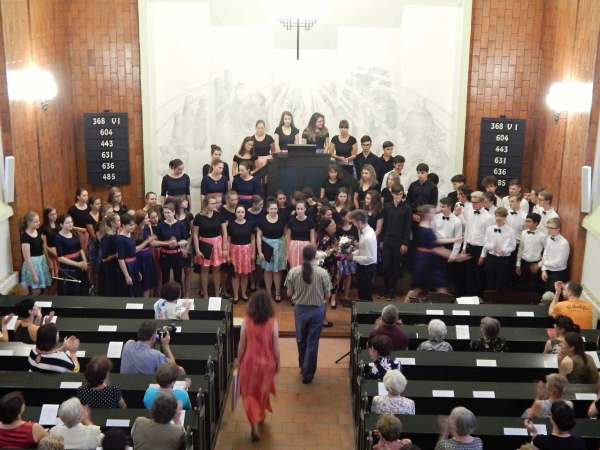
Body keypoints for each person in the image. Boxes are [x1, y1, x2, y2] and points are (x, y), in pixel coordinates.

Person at [236, 290, 281, 441]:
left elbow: (242, 344)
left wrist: (238, 359)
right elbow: (276, 346)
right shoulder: (273, 322)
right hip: (267, 363)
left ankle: (254, 422)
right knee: (261, 392)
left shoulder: (246, 321)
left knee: (248, 394)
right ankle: (260, 415)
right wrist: (278, 362)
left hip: (249, 362)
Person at [285, 245, 332, 384]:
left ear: (302, 256)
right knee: (313, 342)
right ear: (315, 256)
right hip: (317, 311)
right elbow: (328, 295)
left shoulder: (293, 272)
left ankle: (302, 366)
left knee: (301, 339)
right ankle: (308, 373)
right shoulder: (323, 273)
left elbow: (288, 293)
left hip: (300, 310)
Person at [405, 205, 466, 302]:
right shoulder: (426, 229)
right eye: (432, 212)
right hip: (426, 262)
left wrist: (455, 239)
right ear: (427, 214)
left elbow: (436, 241)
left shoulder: (424, 225)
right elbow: (436, 248)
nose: (435, 214)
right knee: (420, 288)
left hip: (427, 260)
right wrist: (456, 256)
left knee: (432, 286)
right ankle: (404, 309)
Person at [378, 184, 411, 301]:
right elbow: (383, 224)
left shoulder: (407, 208)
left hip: (399, 241)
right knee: (386, 266)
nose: (398, 196)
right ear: (392, 194)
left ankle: (392, 289)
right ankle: (386, 287)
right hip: (387, 240)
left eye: (400, 194)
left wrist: (405, 243)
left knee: (396, 267)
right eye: (396, 194)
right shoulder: (387, 207)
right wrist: (381, 240)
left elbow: (408, 227)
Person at [192, 195, 227, 299]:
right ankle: (205, 294)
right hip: (204, 244)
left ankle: (217, 292)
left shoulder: (219, 215)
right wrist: (197, 250)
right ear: (206, 204)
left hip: (217, 243)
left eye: (216, 203)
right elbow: (195, 234)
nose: (215, 205)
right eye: (212, 203)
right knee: (205, 269)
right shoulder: (199, 217)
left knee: (217, 269)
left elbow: (224, 232)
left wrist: (224, 248)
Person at [461, 191, 494, 297]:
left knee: (479, 274)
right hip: (470, 246)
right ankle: (469, 295)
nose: (473, 204)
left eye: (475, 202)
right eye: (472, 202)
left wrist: (483, 255)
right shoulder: (469, 213)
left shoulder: (488, 217)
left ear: (482, 202)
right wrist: (464, 246)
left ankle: (478, 296)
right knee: (468, 273)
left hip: (480, 248)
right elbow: (467, 231)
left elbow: (488, 237)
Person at [257, 199, 288, 303]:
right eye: (271, 209)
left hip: (280, 246)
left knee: (278, 271)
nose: (273, 211)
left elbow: (286, 234)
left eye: (275, 209)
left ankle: (278, 293)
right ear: (267, 209)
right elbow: (258, 236)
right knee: (267, 271)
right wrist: (260, 251)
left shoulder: (282, 219)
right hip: (266, 246)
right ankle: (269, 293)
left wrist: (287, 251)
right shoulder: (262, 220)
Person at [479, 207, 516, 291]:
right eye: (497, 216)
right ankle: (489, 301)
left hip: (503, 260)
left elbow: (513, 246)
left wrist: (503, 250)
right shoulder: (489, 229)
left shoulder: (510, 231)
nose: (498, 218)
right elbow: (485, 243)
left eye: (501, 216)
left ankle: (500, 302)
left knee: (502, 282)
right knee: (490, 281)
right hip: (491, 258)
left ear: (505, 217)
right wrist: (490, 247)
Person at [55, 214, 91, 296]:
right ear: (61, 225)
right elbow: (60, 258)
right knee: (72, 289)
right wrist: (77, 264)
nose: (70, 224)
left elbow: (80, 248)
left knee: (83, 287)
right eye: (67, 222)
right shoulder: (58, 237)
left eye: (71, 222)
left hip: (79, 262)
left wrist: (84, 261)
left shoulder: (74, 232)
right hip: (68, 266)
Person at [227, 205, 256, 303]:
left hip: (246, 251)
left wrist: (253, 252)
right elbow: (228, 240)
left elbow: (253, 239)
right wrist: (227, 254)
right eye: (238, 212)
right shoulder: (230, 225)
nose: (240, 214)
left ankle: (243, 293)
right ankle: (235, 295)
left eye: (242, 212)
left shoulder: (249, 224)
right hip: (234, 250)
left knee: (244, 274)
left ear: (245, 213)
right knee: (235, 274)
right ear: (235, 213)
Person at [347, 209, 377, 301]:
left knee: (365, 295)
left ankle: (366, 314)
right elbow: (363, 250)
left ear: (359, 222)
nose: (354, 225)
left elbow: (370, 258)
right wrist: (353, 253)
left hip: (367, 268)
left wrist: (353, 257)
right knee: (362, 293)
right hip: (363, 267)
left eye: (353, 223)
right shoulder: (367, 230)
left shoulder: (368, 237)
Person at [155, 204, 187, 287]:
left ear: (173, 212)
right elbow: (156, 241)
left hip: (177, 253)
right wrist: (167, 243)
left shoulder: (180, 225)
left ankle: (179, 296)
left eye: (168, 212)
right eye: (164, 213)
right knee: (165, 278)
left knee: (178, 278)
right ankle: (166, 296)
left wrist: (177, 243)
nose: (166, 215)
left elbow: (185, 240)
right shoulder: (160, 225)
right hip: (165, 254)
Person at [19, 211, 51, 295]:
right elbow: (27, 258)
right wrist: (34, 275)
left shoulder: (38, 231)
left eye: (38, 220)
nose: (39, 223)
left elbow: (43, 247)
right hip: (33, 264)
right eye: (36, 221)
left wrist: (48, 260)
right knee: (37, 290)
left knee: (46, 287)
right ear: (29, 222)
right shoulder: (25, 237)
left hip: (41, 261)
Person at [516, 212, 545, 292]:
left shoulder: (542, 236)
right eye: (526, 221)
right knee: (522, 284)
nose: (526, 223)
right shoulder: (523, 233)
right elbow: (521, 249)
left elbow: (547, 253)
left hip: (535, 263)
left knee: (533, 286)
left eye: (529, 221)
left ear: (536, 223)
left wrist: (539, 265)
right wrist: (518, 264)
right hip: (524, 262)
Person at [115, 214, 143, 297]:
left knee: (136, 290)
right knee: (129, 291)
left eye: (134, 224)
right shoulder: (120, 238)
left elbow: (133, 252)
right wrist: (127, 276)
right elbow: (120, 258)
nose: (133, 227)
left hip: (134, 265)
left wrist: (137, 271)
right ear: (123, 225)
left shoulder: (130, 235)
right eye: (130, 225)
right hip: (127, 267)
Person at [336, 208, 359, 305]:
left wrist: (352, 249)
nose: (350, 217)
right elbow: (336, 242)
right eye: (348, 216)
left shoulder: (354, 228)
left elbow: (357, 241)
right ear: (342, 217)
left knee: (348, 275)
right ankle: (334, 294)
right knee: (338, 275)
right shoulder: (338, 228)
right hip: (341, 255)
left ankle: (346, 295)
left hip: (350, 254)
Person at [316, 218, 339, 315]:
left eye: (334, 224)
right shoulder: (326, 239)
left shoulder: (332, 235)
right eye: (332, 225)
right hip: (327, 268)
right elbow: (325, 255)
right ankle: (322, 316)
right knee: (325, 291)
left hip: (332, 266)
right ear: (326, 228)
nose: (335, 226)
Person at [133, 210, 158, 298]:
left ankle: (146, 301)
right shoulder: (134, 230)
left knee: (148, 282)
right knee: (141, 282)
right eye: (146, 218)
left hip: (148, 255)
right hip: (139, 257)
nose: (148, 219)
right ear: (140, 220)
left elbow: (151, 242)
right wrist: (148, 240)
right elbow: (134, 249)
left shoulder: (147, 227)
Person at [541, 218, 570, 292]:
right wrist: (544, 269)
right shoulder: (549, 238)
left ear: (558, 229)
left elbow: (559, 262)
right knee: (545, 293)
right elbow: (545, 254)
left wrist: (545, 263)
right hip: (548, 271)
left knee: (554, 295)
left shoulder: (563, 243)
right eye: (547, 227)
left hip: (558, 274)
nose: (548, 230)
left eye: (551, 228)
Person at [286, 200, 316, 269]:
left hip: (305, 247)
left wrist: (312, 252)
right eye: (298, 209)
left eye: (301, 209)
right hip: (294, 247)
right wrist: (287, 253)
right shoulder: (291, 221)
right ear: (295, 209)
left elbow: (312, 238)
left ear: (305, 209)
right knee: (294, 267)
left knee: (306, 267)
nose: (299, 211)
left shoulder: (310, 221)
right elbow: (288, 238)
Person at [97, 213, 120, 297]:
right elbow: (104, 259)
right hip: (108, 268)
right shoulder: (107, 238)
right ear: (112, 223)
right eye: (118, 220)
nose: (120, 222)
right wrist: (117, 254)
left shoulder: (116, 234)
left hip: (114, 265)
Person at [67, 188, 90, 254]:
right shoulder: (72, 210)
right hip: (77, 234)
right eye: (84, 195)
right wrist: (79, 230)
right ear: (78, 197)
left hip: (89, 233)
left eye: (87, 195)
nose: (86, 197)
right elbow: (69, 224)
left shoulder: (89, 208)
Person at [41, 206, 60, 282]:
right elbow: (44, 245)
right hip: (51, 252)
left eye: (55, 214)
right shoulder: (44, 228)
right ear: (47, 216)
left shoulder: (58, 225)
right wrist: (56, 254)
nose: (54, 216)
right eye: (51, 214)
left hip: (59, 249)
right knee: (52, 277)